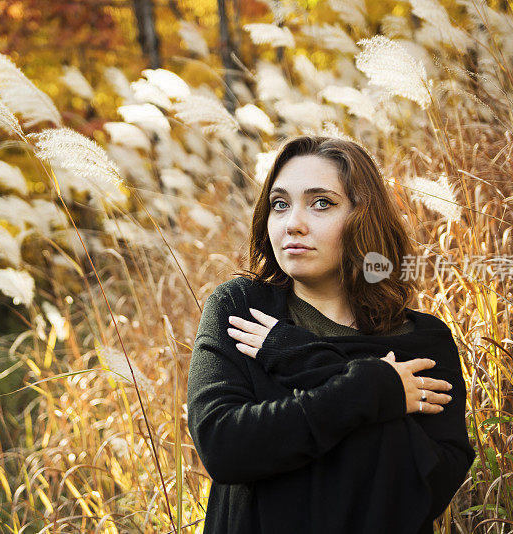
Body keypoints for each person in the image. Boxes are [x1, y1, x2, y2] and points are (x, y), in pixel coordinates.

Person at [186, 135, 475, 533]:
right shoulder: (243, 309)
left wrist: (292, 355)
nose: (293, 224)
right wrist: (371, 388)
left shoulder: (422, 342)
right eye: (280, 204)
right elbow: (224, 447)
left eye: (322, 203)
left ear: (364, 216)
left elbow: (426, 488)